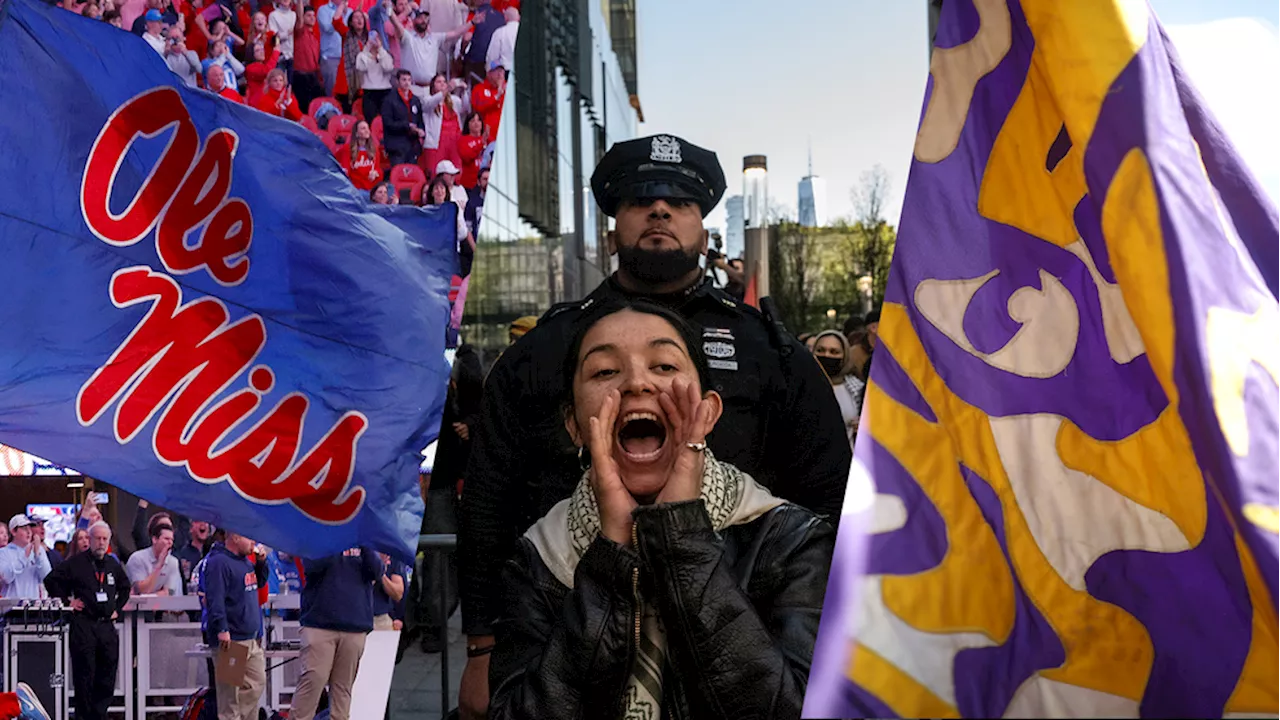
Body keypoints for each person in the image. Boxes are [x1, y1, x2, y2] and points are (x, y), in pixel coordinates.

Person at [456, 134, 852, 719]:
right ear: (613, 227)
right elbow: (490, 497)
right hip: (566, 633)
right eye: (642, 198)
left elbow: (829, 496)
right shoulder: (541, 352)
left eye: (681, 201)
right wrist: (483, 644)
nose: (661, 210)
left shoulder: (774, 353)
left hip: (749, 633)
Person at [487, 299, 833, 720]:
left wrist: (680, 538)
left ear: (707, 412)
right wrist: (612, 553)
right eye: (605, 371)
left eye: (664, 366)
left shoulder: (789, 541)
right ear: (575, 425)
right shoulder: (539, 558)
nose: (636, 383)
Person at [43, 521, 130, 720]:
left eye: (104, 539)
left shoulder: (112, 564)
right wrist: (68, 601)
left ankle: (100, 715)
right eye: (97, 538)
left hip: (107, 626)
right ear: (89, 540)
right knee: (84, 676)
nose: (101, 542)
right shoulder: (76, 563)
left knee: (107, 675)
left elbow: (125, 587)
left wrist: (117, 609)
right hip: (83, 624)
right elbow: (51, 580)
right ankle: (83, 717)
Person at [290, 547, 383, 720]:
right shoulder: (319, 535)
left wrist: (364, 545)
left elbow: (377, 571)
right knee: (312, 682)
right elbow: (311, 567)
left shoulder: (364, 538)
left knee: (343, 691)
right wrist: (336, 542)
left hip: (354, 626)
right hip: (319, 625)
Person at [201, 531, 266, 720]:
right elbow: (215, 599)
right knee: (229, 696)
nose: (253, 540)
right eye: (248, 536)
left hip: (251, 637)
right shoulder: (218, 562)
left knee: (257, 684)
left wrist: (261, 563)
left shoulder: (245, 561)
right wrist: (222, 629)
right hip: (231, 641)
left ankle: (235, 717)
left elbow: (259, 583)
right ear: (235, 537)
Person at [811, 329, 864, 447]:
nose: (826, 355)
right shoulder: (800, 385)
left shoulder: (857, 390)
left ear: (844, 356)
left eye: (834, 352)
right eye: (820, 350)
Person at [0, 515, 52, 598]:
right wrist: (24, 557)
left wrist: (38, 555)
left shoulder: (38, 550)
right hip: (10, 607)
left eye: (29, 528)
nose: (28, 532)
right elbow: (6, 577)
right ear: (13, 531)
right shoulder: (3, 552)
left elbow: (47, 577)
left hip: (32, 606)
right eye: (24, 528)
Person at [381, 69, 425, 166]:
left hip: (413, 145)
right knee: (399, 174)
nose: (407, 83)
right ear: (397, 81)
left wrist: (421, 131)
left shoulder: (415, 100)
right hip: (396, 146)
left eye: (409, 80)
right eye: (404, 80)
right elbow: (387, 123)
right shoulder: (389, 100)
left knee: (411, 176)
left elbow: (420, 120)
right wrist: (406, 125)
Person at [126, 521, 182, 596]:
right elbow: (141, 590)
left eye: (172, 540)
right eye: (166, 539)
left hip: (162, 606)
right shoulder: (137, 558)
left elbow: (169, 592)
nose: (170, 543)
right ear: (155, 539)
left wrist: (150, 596)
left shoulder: (173, 562)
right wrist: (159, 566)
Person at [355, 30, 394, 122]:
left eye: (377, 39)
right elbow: (360, 67)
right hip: (369, 91)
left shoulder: (386, 55)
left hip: (385, 91)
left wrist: (380, 49)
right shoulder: (362, 55)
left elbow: (388, 67)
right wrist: (367, 49)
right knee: (370, 120)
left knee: (386, 119)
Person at [372, 552, 405, 630]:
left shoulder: (392, 555)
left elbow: (398, 594)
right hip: (354, 616)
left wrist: (381, 570)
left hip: (380, 618)